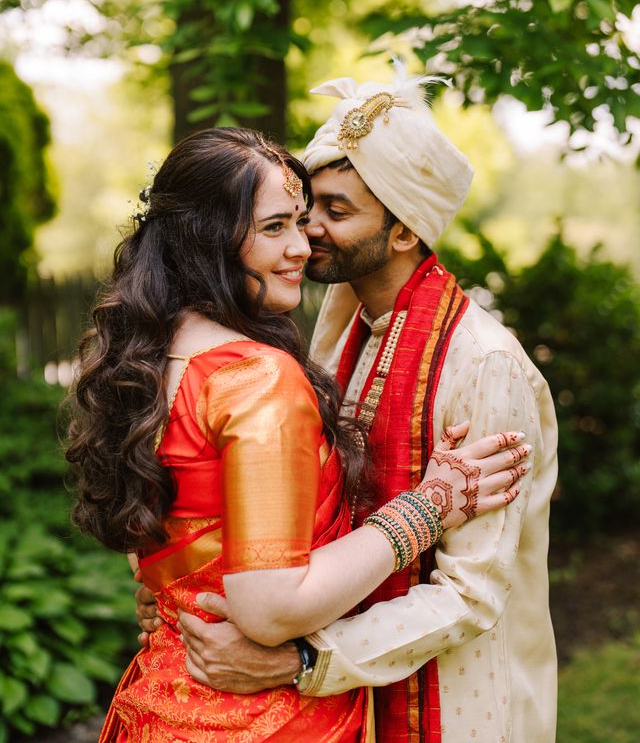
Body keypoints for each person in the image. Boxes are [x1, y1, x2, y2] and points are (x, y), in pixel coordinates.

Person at [66, 126, 528, 743]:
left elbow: (170, 526)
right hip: (261, 719)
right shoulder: (255, 376)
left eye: (305, 220)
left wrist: (175, 600)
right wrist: (430, 505)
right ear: (209, 240)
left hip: (158, 700)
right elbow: (269, 608)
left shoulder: (151, 356)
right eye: (275, 227)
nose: (302, 246)